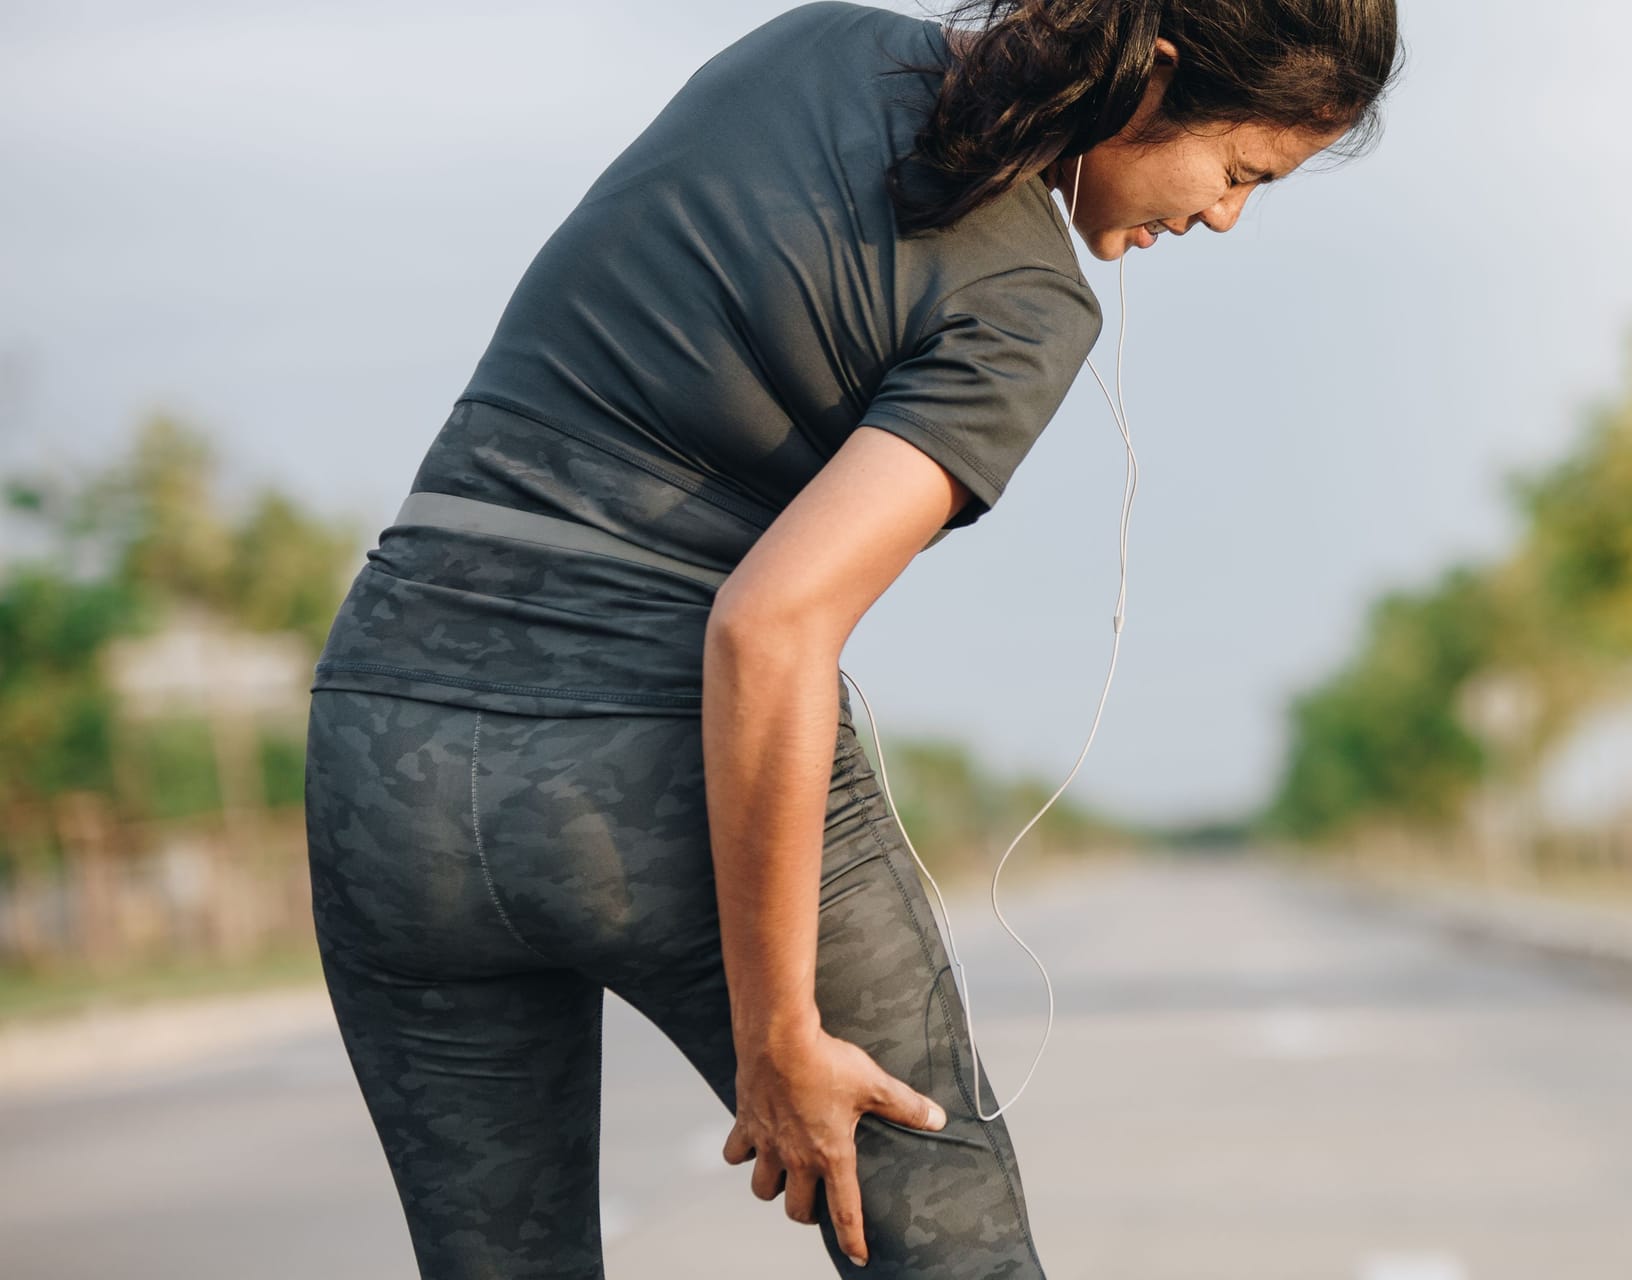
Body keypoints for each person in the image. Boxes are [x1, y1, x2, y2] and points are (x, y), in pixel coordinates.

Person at [301, 1, 1401, 1275]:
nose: (1226, 217)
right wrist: (779, 1033)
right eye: (1242, 170)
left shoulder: (815, 41)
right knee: (957, 1256)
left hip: (384, 751)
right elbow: (769, 627)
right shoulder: (1030, 305)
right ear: (1150, 81)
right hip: (644, 761)